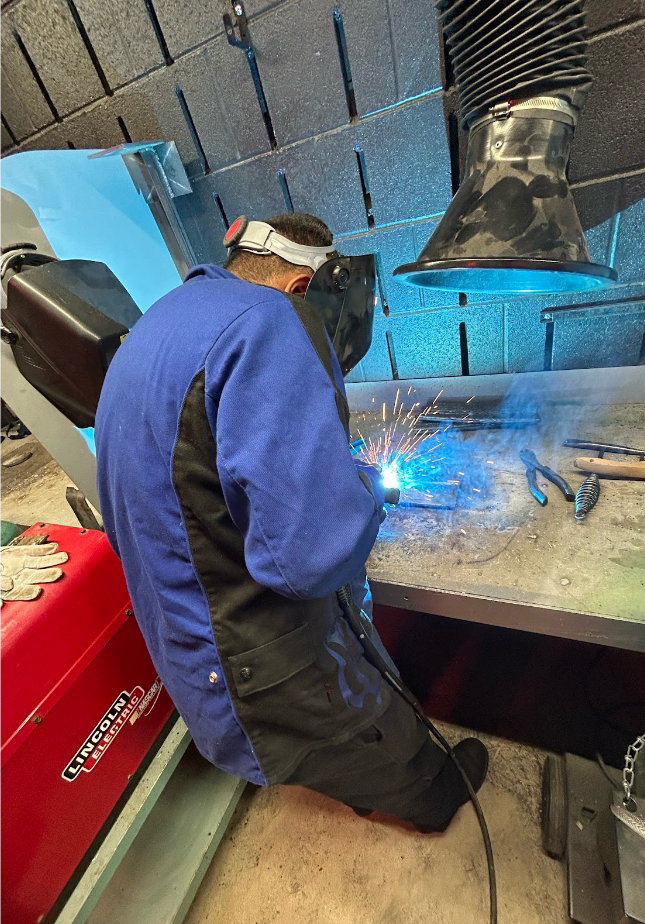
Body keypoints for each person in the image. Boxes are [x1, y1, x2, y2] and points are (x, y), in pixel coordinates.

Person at [95, 212, 488, 832]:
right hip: (254, 659)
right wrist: (362, 485)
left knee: (329, 747)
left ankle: (358, 778)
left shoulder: (161, 323)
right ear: (304, 288)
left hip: (184, 640)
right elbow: (311, 558)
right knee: (376, 735)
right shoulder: (269, 319)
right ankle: (429, 798)